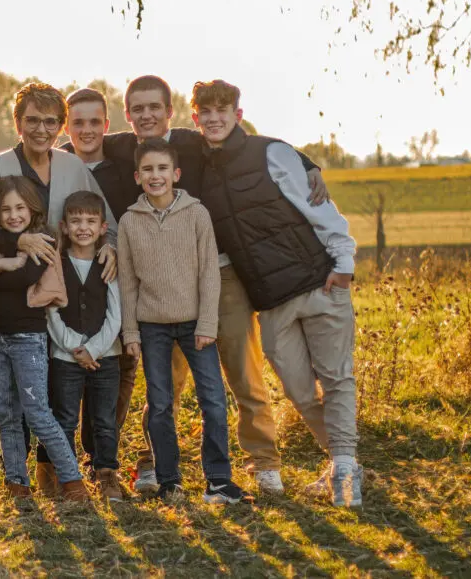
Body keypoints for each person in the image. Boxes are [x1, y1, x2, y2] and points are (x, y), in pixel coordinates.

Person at [104, 75, 326, 495]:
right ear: (128, 114)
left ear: (170, 112)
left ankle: (263, 462)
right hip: (163, 286)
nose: (147, 115)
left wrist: (306, 162)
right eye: (138, 109)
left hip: (222, 275)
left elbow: (252, 144)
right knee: (163, 383)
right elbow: (78, 145)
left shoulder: (193, 140)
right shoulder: (121, 147)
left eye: (155, 107)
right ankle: (154, 462)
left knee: (243, 371)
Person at [192, 79, 362, 507]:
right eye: (205, 113)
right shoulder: (199, 167)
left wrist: (343, 267)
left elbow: (321, 210)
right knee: (299, 391)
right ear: (195, 118)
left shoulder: (271, 152)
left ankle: (344, 468)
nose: (214, 119)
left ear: (238, 115)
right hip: (271, 301)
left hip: (320, 284)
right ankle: (344, 461)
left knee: (337, 379)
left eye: (222, 111)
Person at [118, 137, 252, 504]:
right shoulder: (130, 222)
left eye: (162, 169)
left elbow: (210, 273)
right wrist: (131, 332)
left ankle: (219, 481)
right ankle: (169, 480)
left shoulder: (196, 214)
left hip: (196, 324)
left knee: (213, 400)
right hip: (152, 327)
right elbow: (127, 283)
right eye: (148, 169)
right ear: (137, 176)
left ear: (175, 174)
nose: (155, 175)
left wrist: (208, 323)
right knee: (159, 404)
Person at [0, 176, 89, 502]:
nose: (13, 215)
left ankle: (73, 482)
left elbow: (23, 280)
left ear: (31, 207)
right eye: (5, 209)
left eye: (20, 207)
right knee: (6, 414)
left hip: (27, 340)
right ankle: (16, 484)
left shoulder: (44, 239)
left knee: (38, 413)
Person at [59, 88, 138, 482]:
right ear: (66, 127)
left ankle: (102, 459)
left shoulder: (124, 166)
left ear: (107, 125)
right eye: (78, 122)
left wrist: (114, 246)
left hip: (117, 283)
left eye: (95, 122)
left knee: (118, 373)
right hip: (70, 288)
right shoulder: (57, 165)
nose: (87, 130)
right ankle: (64, 462)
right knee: (69, 384)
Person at [37, 190, 126, 502]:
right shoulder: (56, 264)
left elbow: (116, 313)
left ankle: (106, 474)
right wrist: (76, 347)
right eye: (76, 221)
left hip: (106, 355)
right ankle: (66, 476)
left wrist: (95, 349)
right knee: (64, 418)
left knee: (104, 419)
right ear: (64, 226)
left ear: (103, 227)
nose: (83, 227)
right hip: (64, 357)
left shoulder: (108, 263)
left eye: (91, 221)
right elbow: (51, 310)